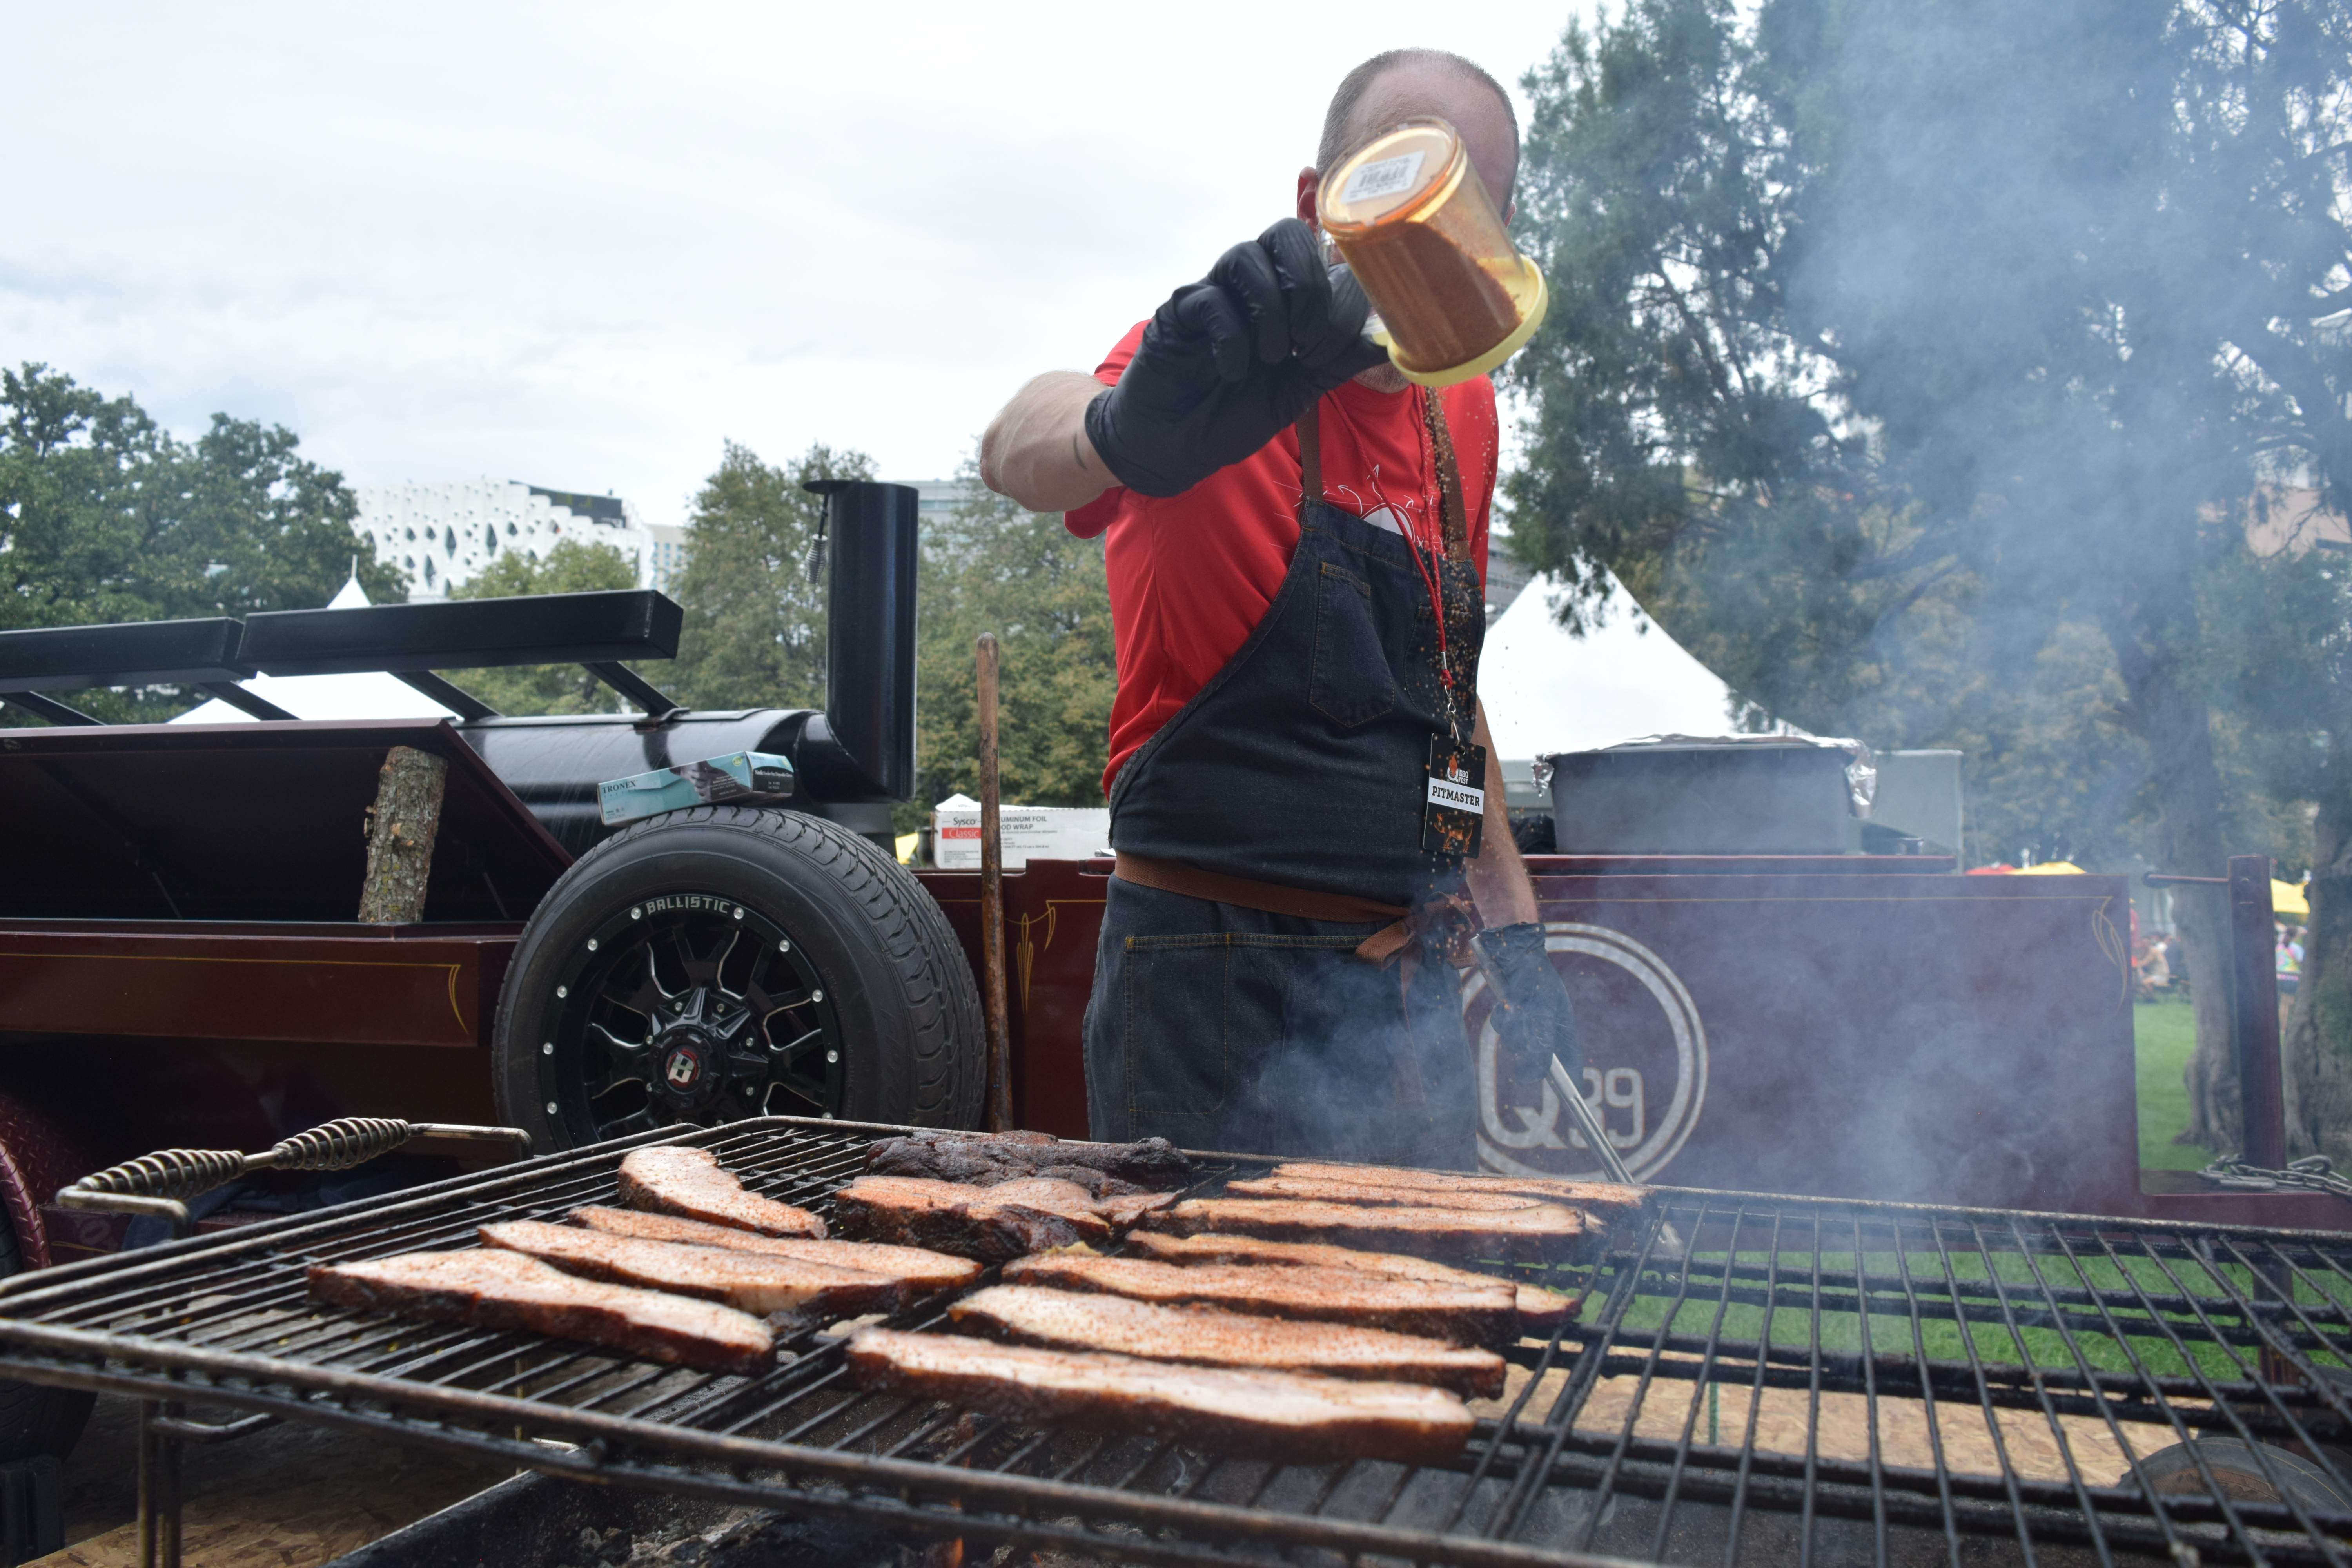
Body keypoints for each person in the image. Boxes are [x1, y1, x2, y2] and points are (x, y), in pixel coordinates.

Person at [980, 49, 1569, 1169]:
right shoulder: (1215, 374)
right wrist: (1122, 433)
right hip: (1207, 992)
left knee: (1422, 1326)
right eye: (1407, 198)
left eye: (1475, 218)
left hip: (1403, 995)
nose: (1438, 256)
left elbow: (1446, 690)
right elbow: (1015, 441)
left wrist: (1517, 933)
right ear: (1320, 204)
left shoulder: (1470, 415)